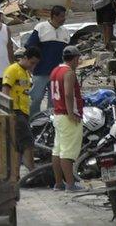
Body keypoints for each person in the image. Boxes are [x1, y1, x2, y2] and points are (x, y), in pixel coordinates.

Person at [2, 47, 42, 175]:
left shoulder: (26, 72)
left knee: (18, 146)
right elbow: (5, 90)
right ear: (25, 58)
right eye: (32, 63)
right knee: (28, 142)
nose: (33, 66)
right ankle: (32, 172)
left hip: (23, 112)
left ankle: (16, 175)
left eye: (35, 64)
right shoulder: (13, 70)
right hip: (15, 111)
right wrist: (8, 112)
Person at [50, 45, 85, 192]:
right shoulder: (69, 72)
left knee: (57, 151)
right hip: (67, 115)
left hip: (58, 114)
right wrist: (71, 113)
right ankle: (70, 184)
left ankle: (59, 183)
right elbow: (68, 94)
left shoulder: (55, 70)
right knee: (67, 152)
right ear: (75, 58)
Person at [25, 6, 69, 116]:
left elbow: (67, 52)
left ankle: (49, 121)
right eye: (62, 16)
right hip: (41, 71)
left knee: (54, 101)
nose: (64, 19)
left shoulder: (65, 31)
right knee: (36, 98)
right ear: (54, 16)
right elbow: (30, 46)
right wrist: (31, 65)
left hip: (57, 73)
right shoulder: (41, 28)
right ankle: (32, 120)